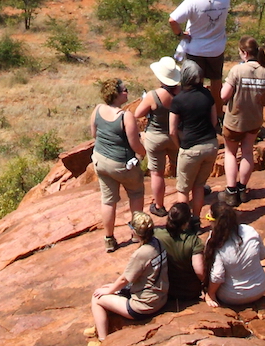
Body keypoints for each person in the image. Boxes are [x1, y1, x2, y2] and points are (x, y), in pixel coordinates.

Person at [220, 37, 265, 205]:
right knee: (247, 152)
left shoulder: (237, 70)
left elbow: (224, 96)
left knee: (230, 153)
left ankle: (231, 192)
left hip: (235, 120)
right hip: (254, 120)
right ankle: (243, 190)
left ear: (244, 53)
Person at [90, 210, 168, 345]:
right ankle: (100, 325)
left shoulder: (141, 254)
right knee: (107, 288)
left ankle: (102, 341)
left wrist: (109, 291)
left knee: (97, 298)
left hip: (143, 306)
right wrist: (111, 288)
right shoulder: (158, 243)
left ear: (135, 232)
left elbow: (124, 279)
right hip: (161, 296)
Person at [90, 76, 147, 253]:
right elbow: (135, 144)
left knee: (108, 201)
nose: (127, 92)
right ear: (116, 95)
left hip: (101, 161)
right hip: (122, 164)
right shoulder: (126, 116)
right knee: (136, 193)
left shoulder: (98, 110)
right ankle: (137, 233)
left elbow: (94, 134)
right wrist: (142, 153)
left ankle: (109, 239)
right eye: (124, 90)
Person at [134, 55, 194, 218]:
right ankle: (187, 199)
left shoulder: (153, 95)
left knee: (157, 173)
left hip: (155, 137)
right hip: (177, 136)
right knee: (183, 169)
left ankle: (159, 205)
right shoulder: (182, 93)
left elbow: (138, 114)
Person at [168, 0, 233, 85]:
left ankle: (200, 103)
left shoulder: (193, 1)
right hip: (216, 49)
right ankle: (218, 104)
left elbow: (173, 20)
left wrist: (180, 34)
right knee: (216, 81)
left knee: (195, 83)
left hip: (195, 49)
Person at [201, 196, 265, 308]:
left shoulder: (217, 242)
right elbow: (263, 255)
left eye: (208, 217)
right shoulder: (250, 231)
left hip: (231, 296)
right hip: (259, 290)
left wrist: (210, 294)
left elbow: (217, 276)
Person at [168, 70, 220, 210]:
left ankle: (183, 223)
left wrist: (179, 147)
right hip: (210, 145)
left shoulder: (178, 100)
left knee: (183, 189)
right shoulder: (207, 94)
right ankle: (196, 220)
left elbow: (172, 131)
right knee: (199, 186)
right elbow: (214, 121)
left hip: (190, 148)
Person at [154, 199, 207, 303]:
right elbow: (200, 271)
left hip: (165, 289)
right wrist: (207, 287)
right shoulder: (193, 241)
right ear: (187, 222)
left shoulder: (156, 235)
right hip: (189, 292)